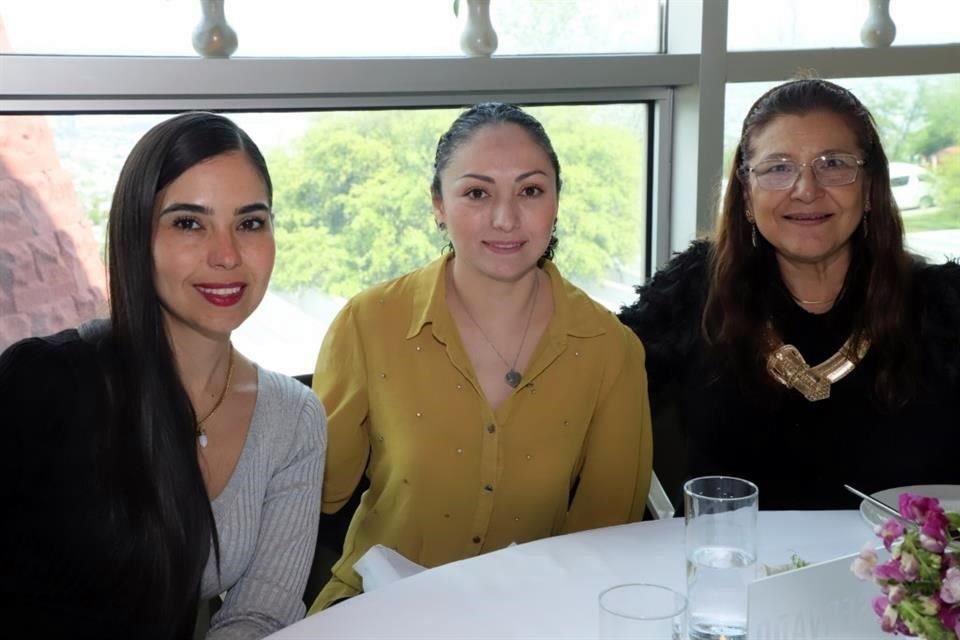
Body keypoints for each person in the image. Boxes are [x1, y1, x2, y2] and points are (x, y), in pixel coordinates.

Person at [309, 102, 652, 612]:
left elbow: (606, 540)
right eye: (476, 193)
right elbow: (311, 495)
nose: (506, 218)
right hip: (377, 609)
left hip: (537, 613)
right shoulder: (368, 323)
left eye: (530, 191)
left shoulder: (609, 347)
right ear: (438, 205)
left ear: (556, 200)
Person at [0, 112, 326, 639]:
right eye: (188, 223)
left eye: (250, 223)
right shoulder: (41, 385)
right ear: (137, 236)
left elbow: (262, 612)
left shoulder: (294, 418)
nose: (226, 256)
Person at [619, 78, 960, 511]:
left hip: (906, 575)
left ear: (870, 187)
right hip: (732, 572)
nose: (806, 189)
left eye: (833, 163)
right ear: (745, 196)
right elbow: (594, 385)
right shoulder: (695, 291)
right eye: (778, 167)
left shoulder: (945, 309)